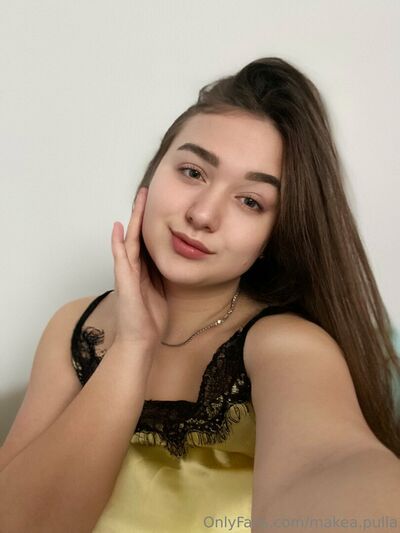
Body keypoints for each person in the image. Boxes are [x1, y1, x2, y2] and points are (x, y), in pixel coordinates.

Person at [1, 57, 399, 533]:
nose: (203, 215)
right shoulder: (74, 326)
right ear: (153, 174)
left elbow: (332, 463)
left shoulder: (287, 348)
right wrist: (132, 349)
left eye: (250, 201)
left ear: (274, 234)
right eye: (192, 172)